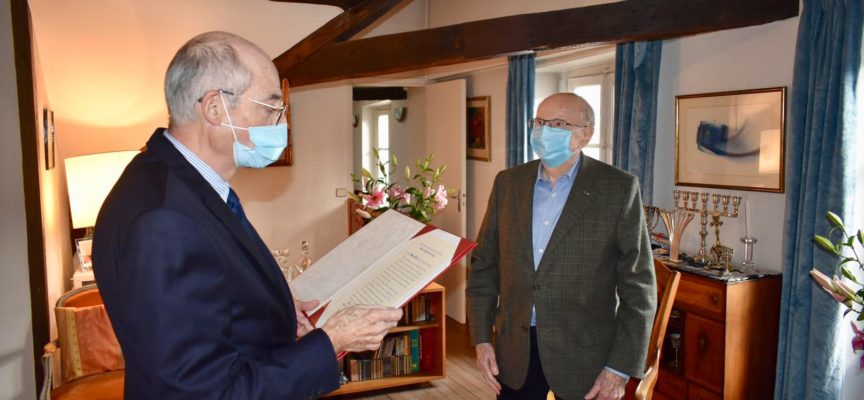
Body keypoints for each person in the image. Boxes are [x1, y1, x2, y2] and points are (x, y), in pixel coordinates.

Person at [92, 31, 402, 399]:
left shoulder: (174, 177)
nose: (281, 124)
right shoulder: (165, 221)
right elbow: (207, 393)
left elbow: (214, 298)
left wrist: (277, 310)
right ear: (214, 108)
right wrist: (332, 340)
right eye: (270, 108)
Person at [466, 93, 657, 400]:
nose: (543, 131)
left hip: (585, 355)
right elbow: (483, 267)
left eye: (557, 124)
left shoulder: (618, 189)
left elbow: (639, 289)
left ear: (586, 134)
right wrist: (481, 338)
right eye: (539, 122)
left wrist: (619, 368)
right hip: (515, 350)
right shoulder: (508, 183)